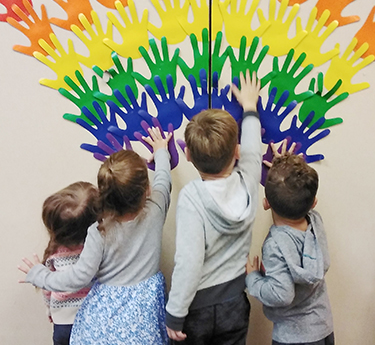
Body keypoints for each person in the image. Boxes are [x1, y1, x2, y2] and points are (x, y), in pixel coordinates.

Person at [19, 126, 172, 345]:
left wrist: (38, 275)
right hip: (143, 315)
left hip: (104, 321)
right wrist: (161, 151)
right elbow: (163, 181)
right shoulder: (156, 209)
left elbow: (78, 278)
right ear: (147, 190)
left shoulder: (99, 231)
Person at [166, 70, 262, 344]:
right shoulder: (248, 183)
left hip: (197, 308)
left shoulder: (192, 197)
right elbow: (253, 152)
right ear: (236, 152)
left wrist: (175, 312)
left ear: (187, 155)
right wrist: (250, 108)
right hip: (235, 302)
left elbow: (189, 261)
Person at [246, 141, 334, 345]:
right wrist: (283, 168)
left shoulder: (275, 245)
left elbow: (281, 294)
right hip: (322, 327)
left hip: (294, 338)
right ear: (313, 203)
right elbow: (298, 193)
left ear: (266, 203)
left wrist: (253, 279)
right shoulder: (315, 222)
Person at [41, 181, 99, 345]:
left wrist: (49, 309)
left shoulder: (54, 252)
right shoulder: (97, 248)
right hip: (92, 319)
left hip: (62, 321)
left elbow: (47, 286)